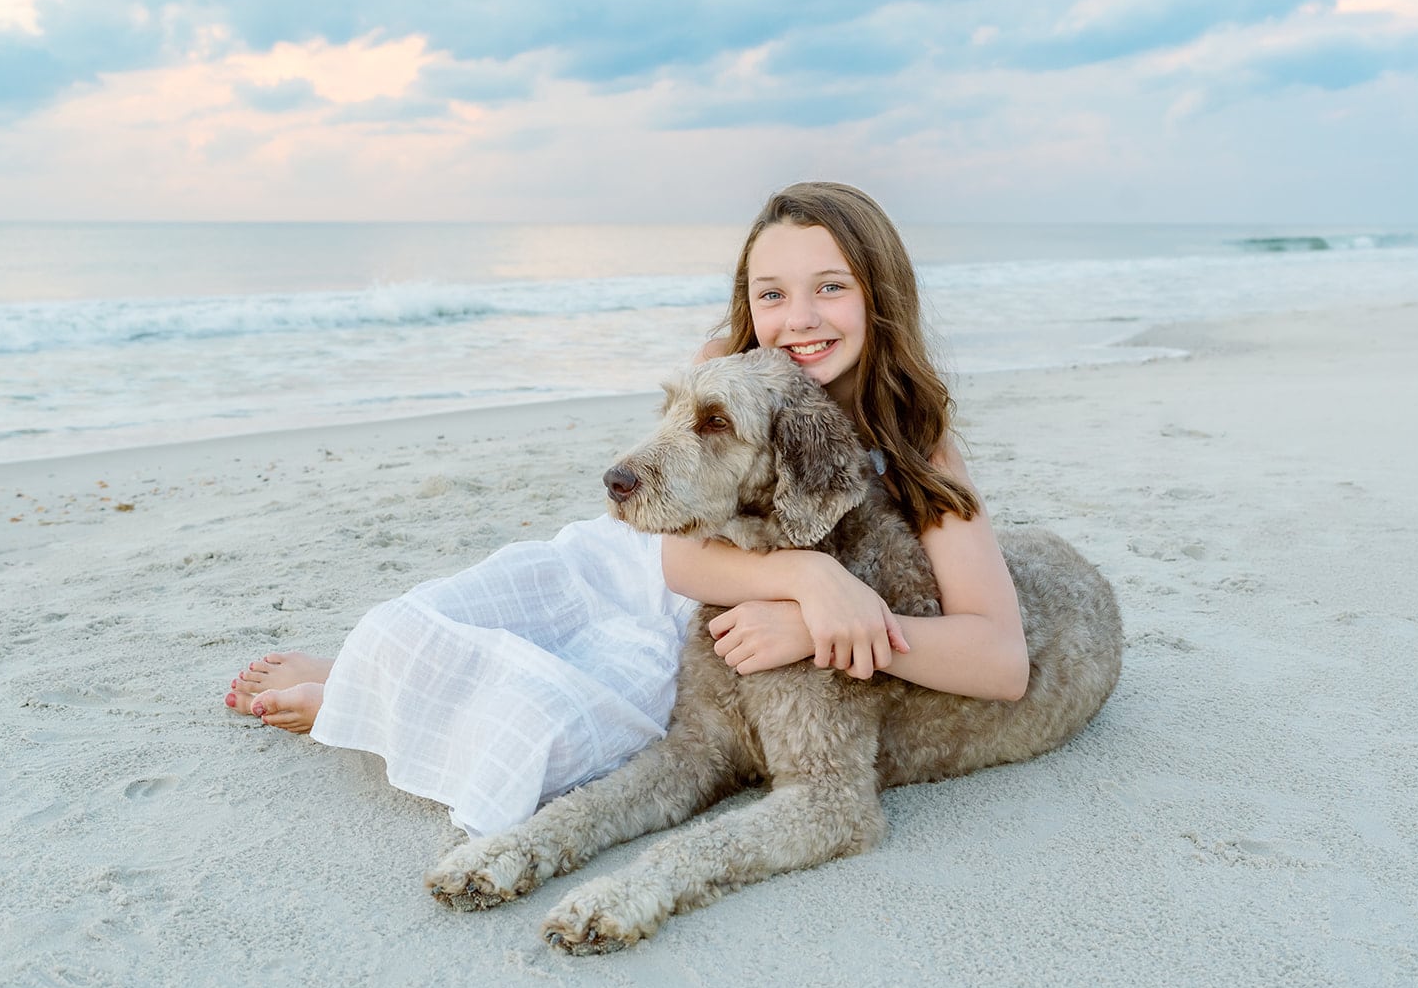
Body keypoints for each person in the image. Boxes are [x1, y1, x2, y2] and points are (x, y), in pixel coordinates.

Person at [225, 181, 1028, 836]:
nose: (799, 318)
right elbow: (675, 553)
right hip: (642, 558)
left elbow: (1000, 659)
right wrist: (811, 580)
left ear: (878, 295)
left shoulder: (921, 443)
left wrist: (814, 622)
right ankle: (365, 670)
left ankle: (366, 695)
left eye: (831, 287)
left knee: (551, 726)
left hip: (708, 622)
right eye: (771, 292)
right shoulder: (722, 367)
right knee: (433, 615)